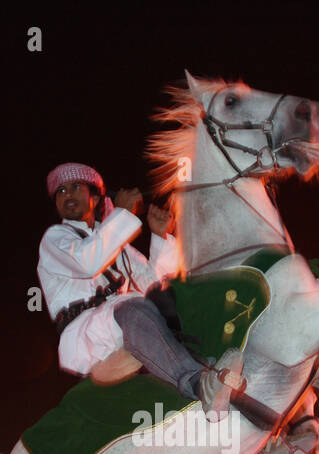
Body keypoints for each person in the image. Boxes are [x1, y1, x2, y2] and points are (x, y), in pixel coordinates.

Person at [38, 162, 244, 421]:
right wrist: (122, 214)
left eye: (75, 187)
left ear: (95, 196)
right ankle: (197, 383)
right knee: (132, 308)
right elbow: (87, 262)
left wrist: (161, 237)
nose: (67, 194)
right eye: (61, 191)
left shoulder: (118, 247)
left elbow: (156, 286)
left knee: (174, 303)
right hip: (90, 339)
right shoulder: (56, 238)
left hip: (129, 327)